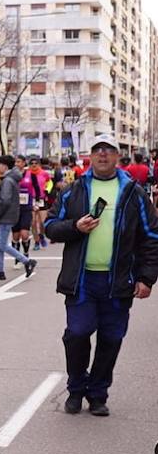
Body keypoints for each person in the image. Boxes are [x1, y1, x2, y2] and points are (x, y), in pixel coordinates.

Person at [44, 132, 158, 416]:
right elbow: (50, 227)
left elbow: (152, 236)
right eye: (98, 150)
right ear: (90, 156)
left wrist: (146, 277)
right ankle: (75, 388)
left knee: (111, 338)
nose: (103, 154)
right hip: (82, 280)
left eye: (109, 150)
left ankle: (98, 394)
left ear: (117, 156)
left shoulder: (133, 192)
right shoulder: (74, 189)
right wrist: (75, 227)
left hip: (118, 281)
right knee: (77, 334)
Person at [0, 155, 37, 281]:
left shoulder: (7, 181)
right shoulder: (11, 178)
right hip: (10, 214)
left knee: (1, 244)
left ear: (4, 166)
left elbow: (5, 200)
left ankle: (26, 261)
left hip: (6, 215)